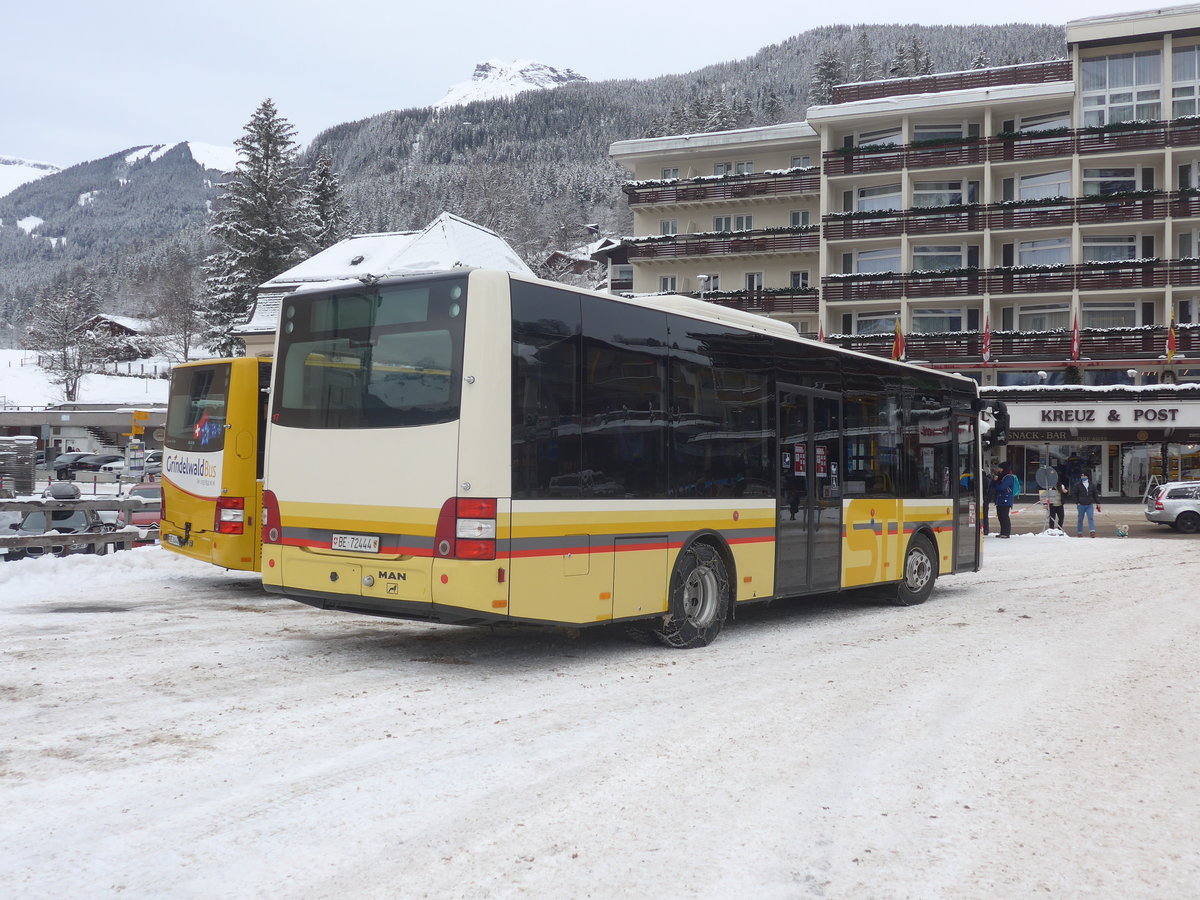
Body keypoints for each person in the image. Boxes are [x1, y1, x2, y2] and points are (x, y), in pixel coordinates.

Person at [1070, 468, 1102, 537]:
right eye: (1082, 476)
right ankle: (1079, 532)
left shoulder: (1092, 485)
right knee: (1080, 519)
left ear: (1087, 476)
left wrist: (1098, 503)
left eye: (1084, 476)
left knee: (1090, 517)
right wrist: (1077, 502)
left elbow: (1095, 494)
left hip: (1089, 504)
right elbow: (1074, 494)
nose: (1083, 477)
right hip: (1081, 505)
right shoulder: (1078, 485)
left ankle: (1092, 531)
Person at [993, 462, 1017, 538]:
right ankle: (1002, 532)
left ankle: (1006, 533)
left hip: (1005, 500)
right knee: (1000, 516)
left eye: (1000, 468)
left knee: (1004, 516)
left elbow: (1001, 487)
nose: (998, 470)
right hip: (1000, 500)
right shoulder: (1001, 477)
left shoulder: (1009, 477)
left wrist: (996, 482)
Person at [1047, 465, 1067, 529]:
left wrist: (1065, 491)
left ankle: (1059, 529)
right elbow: (1044, 496)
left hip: (1059, 505)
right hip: (1052, 505)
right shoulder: (1049, 486)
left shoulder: (1061, 486)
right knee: (1052, 518)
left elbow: (1065, 493)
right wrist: (1045, 504)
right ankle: (1051, 529)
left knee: (1061, 518)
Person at [981, 466, 996, 535]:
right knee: (985, 516)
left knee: (982, 515)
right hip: (986, 499)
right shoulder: (988, 479)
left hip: (983, 499)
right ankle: (986, 530)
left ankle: (983, 529)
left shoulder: (981, 480)